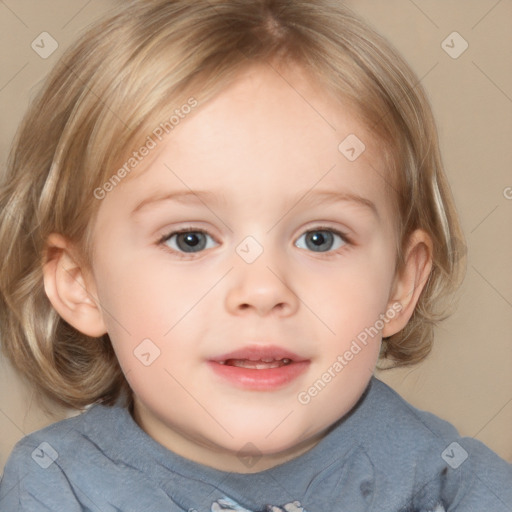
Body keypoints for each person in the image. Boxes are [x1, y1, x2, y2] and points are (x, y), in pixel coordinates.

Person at [0, 0, 510, 510]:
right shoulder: (54, 487)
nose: (264, 290)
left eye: (320, 239)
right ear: (79, 284)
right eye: (190, 239)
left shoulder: (456, 488)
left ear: (400, 283)